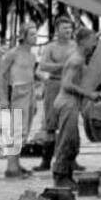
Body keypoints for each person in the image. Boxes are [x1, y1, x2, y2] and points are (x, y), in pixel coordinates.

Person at [52, 28, 101, 189]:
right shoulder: (77, 60)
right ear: (82, 42)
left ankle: (66, 175)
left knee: (73, 141)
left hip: (70, 103)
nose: (95, 43)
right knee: (68, 141)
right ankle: (60, 176)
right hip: (67, 103)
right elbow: (66, 84)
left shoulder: (79, 57)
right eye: (92, 40)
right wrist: (89, 94)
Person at [33, 16, 76, 173]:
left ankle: (71, 160)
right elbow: (43, 65)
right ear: (57, 30)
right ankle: (46, 161)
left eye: (70, 28)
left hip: (70, 86)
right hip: (54, 85)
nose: (69, 31)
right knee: (51, 125)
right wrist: (62, 66)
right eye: (65, 28)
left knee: (70, 124)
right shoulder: (51, 47)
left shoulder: (75, 46)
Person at [0, 25, 38, 178]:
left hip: (30, 91)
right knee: (17, 130)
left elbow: (31, 76)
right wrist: (3, 99)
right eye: (32, 34)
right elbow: (0, 76)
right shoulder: (12, 54)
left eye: (36, 34)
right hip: (18, 92)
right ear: (23, 36)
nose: (36, 37)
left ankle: (17, 163)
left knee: (25, 130)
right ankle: (11, 167)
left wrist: (34, 100)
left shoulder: (32, 56)